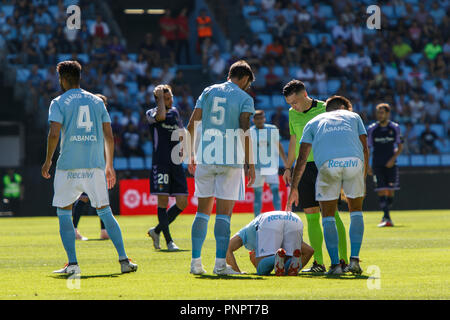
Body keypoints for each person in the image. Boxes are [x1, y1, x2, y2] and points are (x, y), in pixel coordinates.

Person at [41, 61, 137, 275]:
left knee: (64, 213)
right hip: (94, 167)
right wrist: (109, 165)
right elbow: (109, 137)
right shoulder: (96, 101)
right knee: (105, 212)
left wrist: (48, 160)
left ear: (63, 79)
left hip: (67, 168)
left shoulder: (58, 102)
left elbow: (54, 133)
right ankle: (123, 260)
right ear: (79, 77)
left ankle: (73, 264)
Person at [187, 60, 256, 275]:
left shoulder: (208, 91)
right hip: (230, 160)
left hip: (205, 157)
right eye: (248, 83)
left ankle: (195, 264)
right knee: (224, 215)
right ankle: (219, 265)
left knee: (202, 212)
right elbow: (245, 129)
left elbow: (192, 124)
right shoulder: (245, 98)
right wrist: (250, 164)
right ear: (245, 78)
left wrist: (191, 154)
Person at [287, 95, 369, 275]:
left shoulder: (314, 121)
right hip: (354, 162)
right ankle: (353, 260)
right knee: (356, 212)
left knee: (328, 216)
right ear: (345, 108)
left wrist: (294, 187)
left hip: (327, 164)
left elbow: (301, 158)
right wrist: (362, 177)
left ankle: (335, 266)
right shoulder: (354, 117)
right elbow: (365, 147)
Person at [282, 80, 348, 273]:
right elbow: (294, 140)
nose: (292, 106)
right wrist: (288, 167)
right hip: (303, 169)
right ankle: (318, 263)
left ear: (304, 94)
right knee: (311, 216)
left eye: (294, 102)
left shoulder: (325, 109)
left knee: (332, 214)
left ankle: (342, 260)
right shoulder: (292, 113)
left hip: (325, 165)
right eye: (289, 104)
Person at [146, 84, 189, 252]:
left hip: (176, 163)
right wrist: (160, 101)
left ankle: (156, 231)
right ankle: (169, 241)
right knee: (163, 201)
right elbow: (161, 116)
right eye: (166, 98)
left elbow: (181, 131)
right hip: (161, 162)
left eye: (170, 97)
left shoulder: (176, 112)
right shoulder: (151, 113)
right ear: (159, 100)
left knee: (183, 202)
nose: (170, 100)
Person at [72, 94, 112, 241]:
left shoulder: (102, 121)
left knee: (101, 198)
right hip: (87, 164)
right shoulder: (88, 122)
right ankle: (74, 230)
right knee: (83, 198)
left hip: (98, 164)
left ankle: (103, 231)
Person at [226, 211, 314, 276]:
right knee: (287, 270)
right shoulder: (254, 232)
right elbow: (309, 251)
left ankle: (277, 258)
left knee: (261, 271)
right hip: (294, 219)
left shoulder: (246, 231)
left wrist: (237, 273)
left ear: (253, 252)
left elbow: (227, 247)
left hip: (268, 220)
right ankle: (294, 261)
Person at [367, 104, 403, 227]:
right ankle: (387, 217)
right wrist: (367, 165)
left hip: (391, 165)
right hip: (377, 164)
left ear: (388, 114)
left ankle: (386, 214)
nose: (379, 115)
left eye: (382, 112)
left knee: (390, 191)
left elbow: (400, 146)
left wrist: (393, 159)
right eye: (378, 112)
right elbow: (368, 148)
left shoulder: (395, 128)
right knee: (381, 190)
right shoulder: (372, 129)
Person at [250, 110, 288, 217]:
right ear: (253, 120)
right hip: (256, 167)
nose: (259, 120)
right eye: (257, 118)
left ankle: (279, 215)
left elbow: (278, 145)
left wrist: (285, 162)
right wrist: (247, 166)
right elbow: (247, 150)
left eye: (261, 118)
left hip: (270, 165)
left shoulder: (272, 129)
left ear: (264, 118)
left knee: (275, 189)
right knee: (257, 193)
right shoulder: (250, 132)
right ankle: (256, 219)